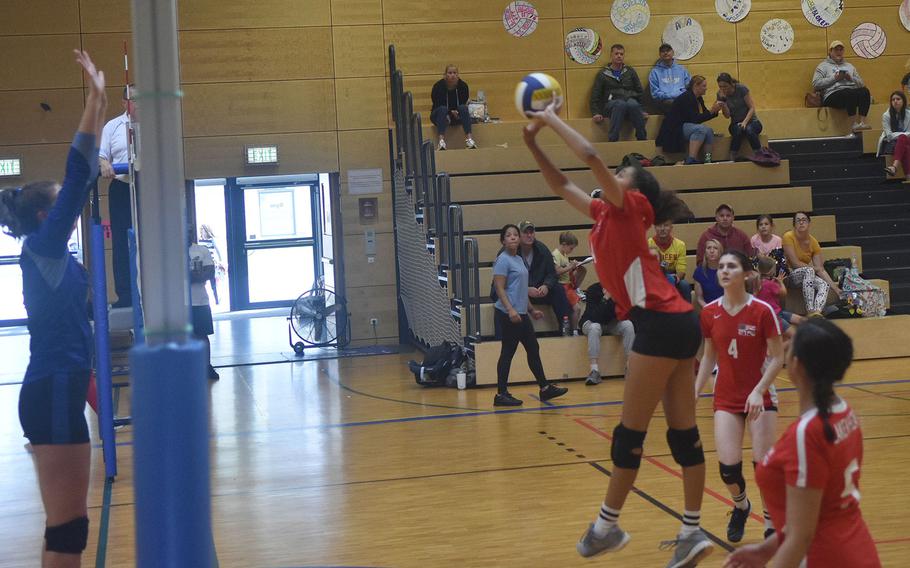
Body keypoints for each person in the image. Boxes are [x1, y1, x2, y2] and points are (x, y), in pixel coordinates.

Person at [523, 102, 714, 567]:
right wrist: (532, 143)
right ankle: (691, 532)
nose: (617, 174)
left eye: (623, 172)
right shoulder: (604, 215)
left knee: (628, 436)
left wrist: (549, 119)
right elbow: (561, 183)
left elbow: (588, 155)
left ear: (632, 188)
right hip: (677, 321)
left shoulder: (633, 208)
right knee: (682, 436)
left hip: (660, 321)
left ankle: (606, 527)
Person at [0, 50, 106, 567]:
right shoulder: (42, 247)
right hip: (55, 387)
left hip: (52, 388)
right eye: (63, 201)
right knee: (69, 531)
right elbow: (79, 170)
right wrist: (94, 101)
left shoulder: (48, 256)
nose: (73, 203)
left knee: (65, 530)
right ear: (47, 214)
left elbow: (82, 178)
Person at [724, 320, 882, 568]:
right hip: (857, 549)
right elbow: (816, 513)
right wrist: (767, 549)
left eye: (790, 343)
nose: (785, 344)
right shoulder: (846, 413)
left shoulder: (808, 433)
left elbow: (801, 538)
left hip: (824, 558)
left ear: (797, 364)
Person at [695, 251, 785, 543]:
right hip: (726, 395)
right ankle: (741, 506)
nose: (724, 271)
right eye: (721, 266)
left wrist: (759, 390)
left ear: (746, 274)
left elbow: (778, 357)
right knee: (728, 468)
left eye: (731, 266)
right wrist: (694, 392)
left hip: (760, 394)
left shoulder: (761, 311)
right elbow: (709, 357)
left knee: (763, 467)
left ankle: (771, 520)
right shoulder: (709, 312)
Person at [491, 224, 568, 407]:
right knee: (507, 352)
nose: (513, 237)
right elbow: (499, 288)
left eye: (515, 235)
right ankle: (501, 394)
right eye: (508, 235)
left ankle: (544, 388)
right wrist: (510, 310)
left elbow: (520, 290)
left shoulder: (518, 259)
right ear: (503, 240)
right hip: (508, 313)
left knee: (533, 349)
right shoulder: (502, 260)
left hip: (522, 313)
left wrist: (532, 310)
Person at [99, 84, 138, 307]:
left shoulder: (155, 124)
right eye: (133, 99)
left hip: (148, 187)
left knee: (151, 240)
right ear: (124, 103)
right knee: (122, 242)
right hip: (122, 188)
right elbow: (101, 154)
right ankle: (125, 296)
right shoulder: (112, 126)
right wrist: (104, 163)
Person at [516, 220, 573, 329]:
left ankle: (565, 328)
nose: (529, 235)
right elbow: (506, 282)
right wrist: (525, 289)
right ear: (518, 234)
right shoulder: (511, 251)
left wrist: (547, 285)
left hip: (540, 291)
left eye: (531, 232)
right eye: (525, 232)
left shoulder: (542, 249)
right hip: (521, 293)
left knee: (558, 289)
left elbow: (552, 273)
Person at [782, 212, 840, 317]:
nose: (801, 222)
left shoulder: (813, 242)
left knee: (823, 284)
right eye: (798, 220)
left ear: (809, 223)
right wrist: (814, 268)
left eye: (804, 220)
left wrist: (836, 289)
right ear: (794, 224)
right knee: (810, 270)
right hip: (790, 275)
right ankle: (810, 310)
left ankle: (817, 312)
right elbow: (795, 263)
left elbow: (821, 269)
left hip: (806, 276)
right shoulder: (788, 236)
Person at [656, 75, 723, 165]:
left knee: (709, 131)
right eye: (704, 86)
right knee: (701, 129)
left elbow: (703, 115)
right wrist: (711, 111)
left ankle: (708, 159)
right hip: (674, 128)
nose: (706, 88)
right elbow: (695, 119)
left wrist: (714, 111)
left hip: (686, 125)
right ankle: (691, 158)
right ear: (695, 86)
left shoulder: (698, 98)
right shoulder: (687, 98)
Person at [579, 281, 635, 385]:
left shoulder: (619, 290)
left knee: (628, 325)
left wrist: (616, 301)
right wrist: (605, 298)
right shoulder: (593, 289)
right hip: (590, 322)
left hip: (610, 322)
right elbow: (594, 316)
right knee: (595, 328)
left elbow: (623, 314)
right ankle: (594, 370)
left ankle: (630, 367)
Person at [590, 44, 648, 142]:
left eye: (621, 54)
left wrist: (642, 110)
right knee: (620, 104)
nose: (619, 56)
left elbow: (640, 91)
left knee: (633, 104)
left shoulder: (630, 71)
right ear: (611, 55)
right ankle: (613, 139)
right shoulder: (603, 74)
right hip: (611, 104)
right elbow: (596, 95)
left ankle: (642, 138)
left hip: (630, 103)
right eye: (616, 53)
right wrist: (596, 113)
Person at [812, 40, 871, 132]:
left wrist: (850, 78)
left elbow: (861, 83)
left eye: (841, 50)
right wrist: (835, 78)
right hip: (832, 95)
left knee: (864, 91)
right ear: (830, 52)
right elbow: (816, 84)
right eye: (836, 50)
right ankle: (853, 124)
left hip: (849, 92)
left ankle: (862, 123)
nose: (839, 52)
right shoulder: (823, 66)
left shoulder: (850, 66)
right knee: (848, 92)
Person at [189, 228, 220, 381]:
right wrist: (194, 275)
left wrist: (191, 276)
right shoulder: (172, 253)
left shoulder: (201, 250)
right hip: (179, 303)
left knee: (202, 335)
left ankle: (206, 366)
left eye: (189, 231)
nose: (186, 234)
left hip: (200, 301)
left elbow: (209, 273)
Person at [756, 256, 805, 338]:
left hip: (778, 312)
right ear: (770, 271)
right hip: (773, 316)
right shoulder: (770, 284)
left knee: (801, 320)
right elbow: (783, 293)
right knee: (795, 336)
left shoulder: (757, 283)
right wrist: (781, 282)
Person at [716, 73, 762, 161]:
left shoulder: (741, 89)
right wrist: (723, 105)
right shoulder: (720, 94)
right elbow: (727, 116)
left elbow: (751, 107)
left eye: (725, 86)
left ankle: (759, 153)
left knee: (749, 130)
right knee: (738, 130)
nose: (723, 89)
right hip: (735, 123)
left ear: (731, 84)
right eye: (720, 87)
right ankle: (733, 155)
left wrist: (745, 122)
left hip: (752, 121)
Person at [430, 64, 476, 151]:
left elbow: (463, 102)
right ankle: (441, 141)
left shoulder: (463, 86)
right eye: (450, 73)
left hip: (456, 115)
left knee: (463, 108)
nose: (452, 75)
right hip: (440, 115)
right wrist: (448, 113)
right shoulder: (438, 86)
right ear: (445, 75)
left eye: (455, 73)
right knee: (442, 110)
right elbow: (436, 103)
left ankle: (469, 140)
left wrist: (457, 114)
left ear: (458, 75)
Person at [649, 219, 691, 302]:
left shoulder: (680, 245)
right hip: (653, 277)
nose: (662, 228)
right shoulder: (648, 244)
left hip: (673, 276)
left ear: (671, 227)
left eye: (666, 225)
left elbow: (681, 270)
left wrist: (676, 278)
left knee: (684, 285)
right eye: (659, 226)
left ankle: (688, 313)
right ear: (654, 227)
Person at [552, 231, 586, 332]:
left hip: (568, 284)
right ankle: (574, 330)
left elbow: (565, 269)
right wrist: (570, 266)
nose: (571, 251)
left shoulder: (564, 254)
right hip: (563, 286)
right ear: (564, 244)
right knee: (577, 309)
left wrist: (574, 266)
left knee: (583, 270)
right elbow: (557, 271)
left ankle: (573, 329)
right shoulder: (556, 254)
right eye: (571, 248)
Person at [648, 43, 690, 114]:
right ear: (660, 54)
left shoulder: (682, 69)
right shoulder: (654, 72)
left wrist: (679, 95)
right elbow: (655, 94)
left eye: (668, 50)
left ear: (673, 52)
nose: (665, 53)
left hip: (681, 99)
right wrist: (669, 96)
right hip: (664, 101)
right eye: (663, 51)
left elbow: (688, 87)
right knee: (671, 104)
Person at [880, 91, 910, 178]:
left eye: (898, 99)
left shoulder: (909, 114)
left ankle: (894, 167)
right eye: (893, 100)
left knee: (903, 138)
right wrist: (904, 135)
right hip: (893, 143)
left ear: (903, 101)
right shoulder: (886, 115)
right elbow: (889, 135)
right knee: (906, 147)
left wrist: (903, 135)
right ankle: (908, 176)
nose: (895, 101)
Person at [694, 239, 724, 308]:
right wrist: (709, 310)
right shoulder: (699, 272)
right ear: (705, 252)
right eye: (709, 248)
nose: (712, 251)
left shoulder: (727, 271)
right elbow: (699, 298)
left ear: (720, 252)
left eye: (715, 248)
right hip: (708, 309)